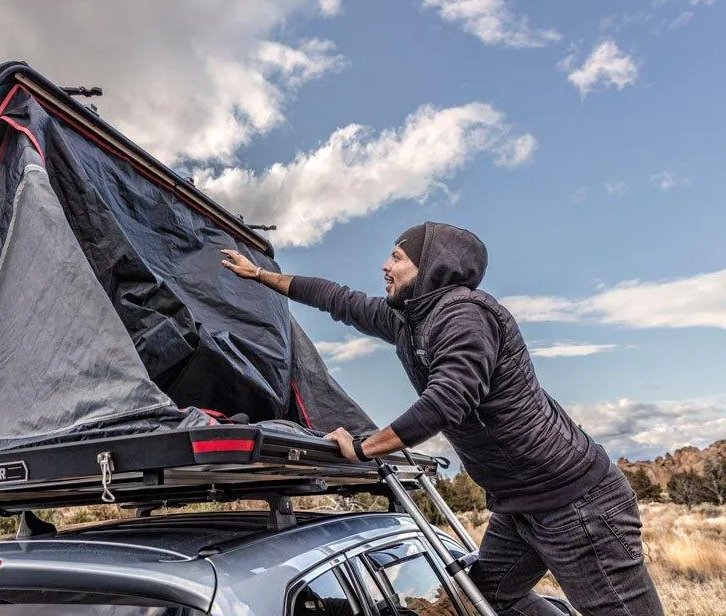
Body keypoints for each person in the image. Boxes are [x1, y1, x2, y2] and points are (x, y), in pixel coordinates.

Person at [219, 221, 664, 616]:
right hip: (519, 505)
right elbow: (338, 299)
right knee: (488, 598)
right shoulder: (407, 320)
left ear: (431, 265)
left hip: (574, 500)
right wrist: (260, 275)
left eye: (397, 256)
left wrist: (363, 447)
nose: (385, 266)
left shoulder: (464, 314)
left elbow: (448, 398)